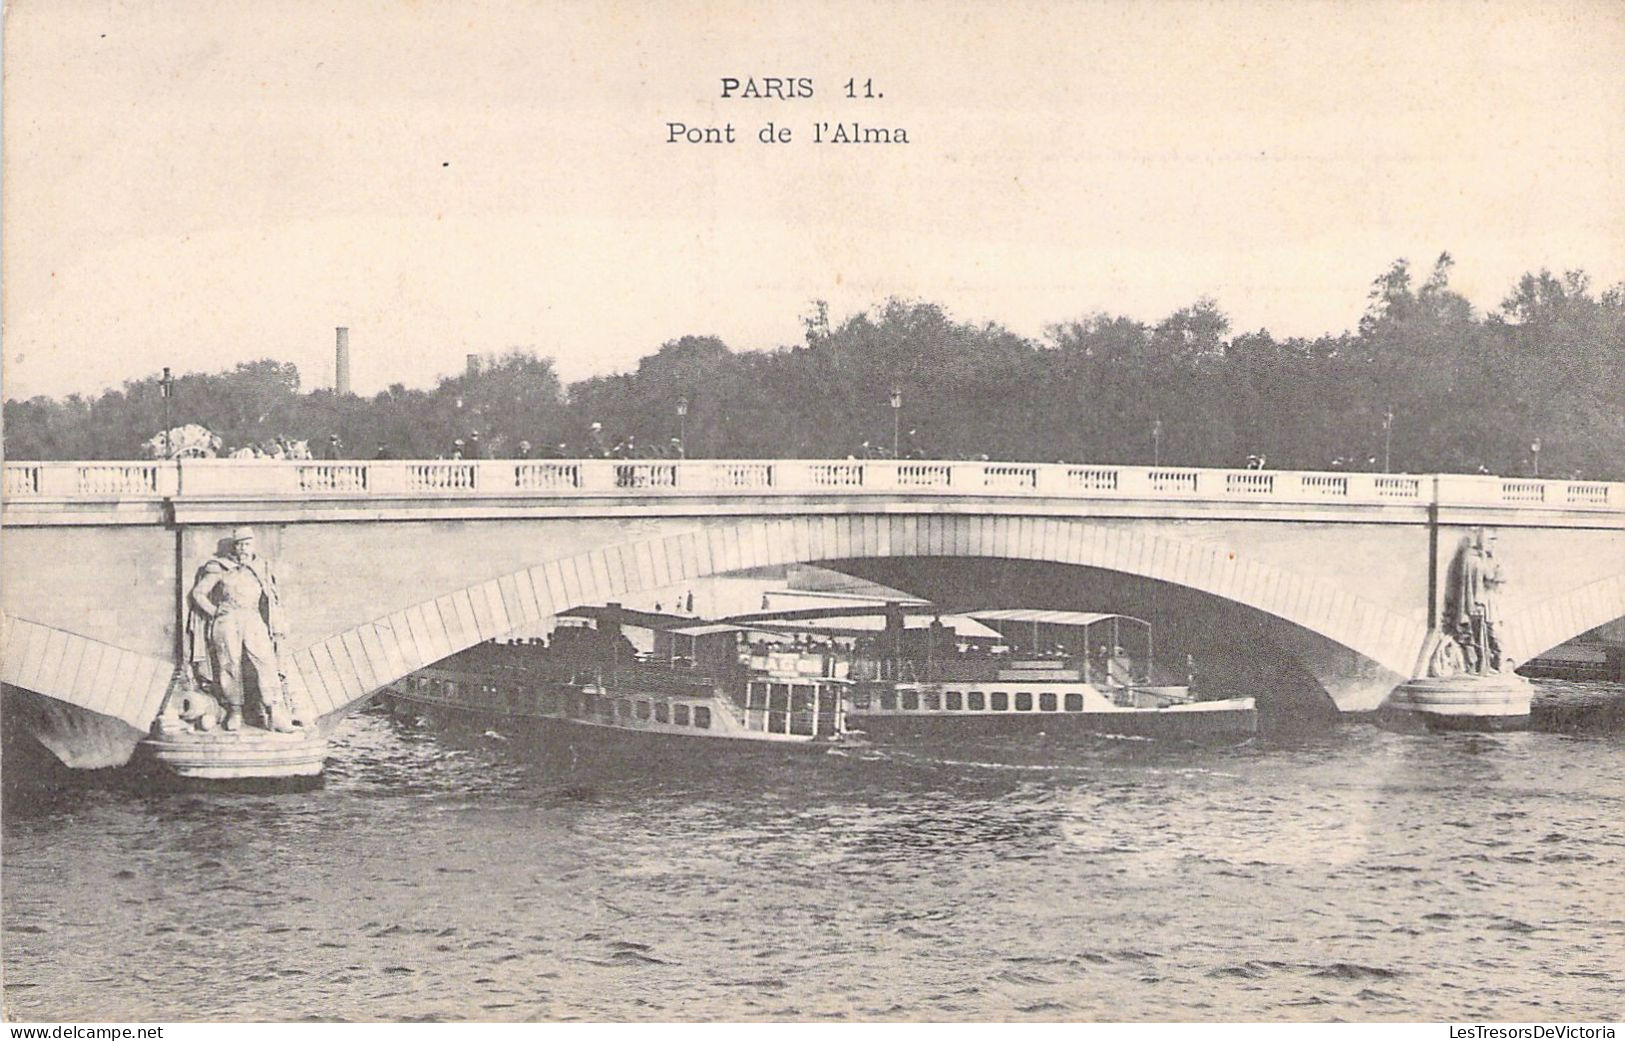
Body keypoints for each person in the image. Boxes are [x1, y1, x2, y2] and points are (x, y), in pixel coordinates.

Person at [188, 527, 298, 732]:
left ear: (253, 545)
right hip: (228, 621)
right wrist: (215, 612)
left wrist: (276, 623)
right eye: (239, 544)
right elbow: (199, 593)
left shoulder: (261, 568)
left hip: (253, 618)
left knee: (265, 662)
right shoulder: (219, 567)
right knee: (229, 664)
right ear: (234, 547)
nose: (243, 549)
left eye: (247, 544)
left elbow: (272, 599)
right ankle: (235, 711)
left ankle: (274, 712)